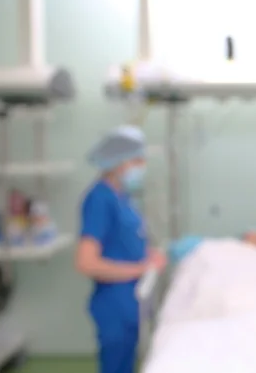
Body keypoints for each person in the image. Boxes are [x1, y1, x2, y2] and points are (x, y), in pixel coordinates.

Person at [75, 125, 167, 373]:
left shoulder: (122, 196)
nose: (141, 166)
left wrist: (148, 254)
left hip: (132, 298)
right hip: (114, 301)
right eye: (137, 159)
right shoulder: (99, 198)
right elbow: (86, 262)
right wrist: (140, 268)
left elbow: (125, 241)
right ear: (117, 162)